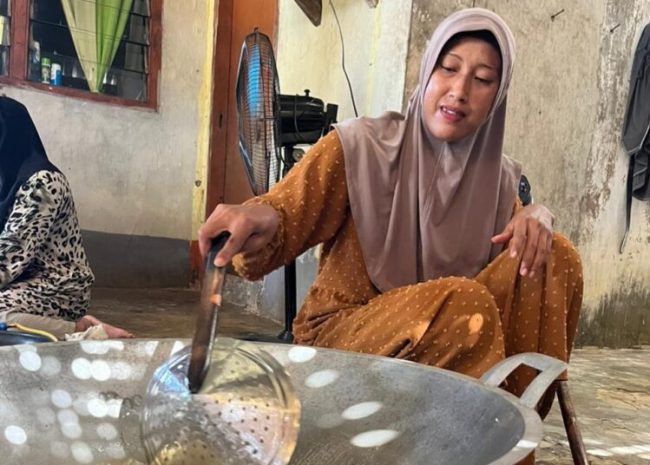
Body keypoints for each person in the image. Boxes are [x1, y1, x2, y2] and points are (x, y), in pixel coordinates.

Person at [200, 6, 582, 423]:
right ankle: (475, 431)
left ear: (498, 96)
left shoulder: (498, 181)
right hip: (344, 334)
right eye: (449, 68)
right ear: (427, 71)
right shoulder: (361, 146)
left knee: (554, 256)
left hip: (447, 338)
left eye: (483, 79)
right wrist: (260, 217)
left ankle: (509, 427)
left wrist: (537, 214)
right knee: (464, 305)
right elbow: (286, 210)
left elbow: (518, 254)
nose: (459, 90)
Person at [0, 96, 132, 340]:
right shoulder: (5, 181)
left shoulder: (42, 183)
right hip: (21, 281)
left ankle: (82, 331)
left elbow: (10, 257)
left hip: (58, 287)